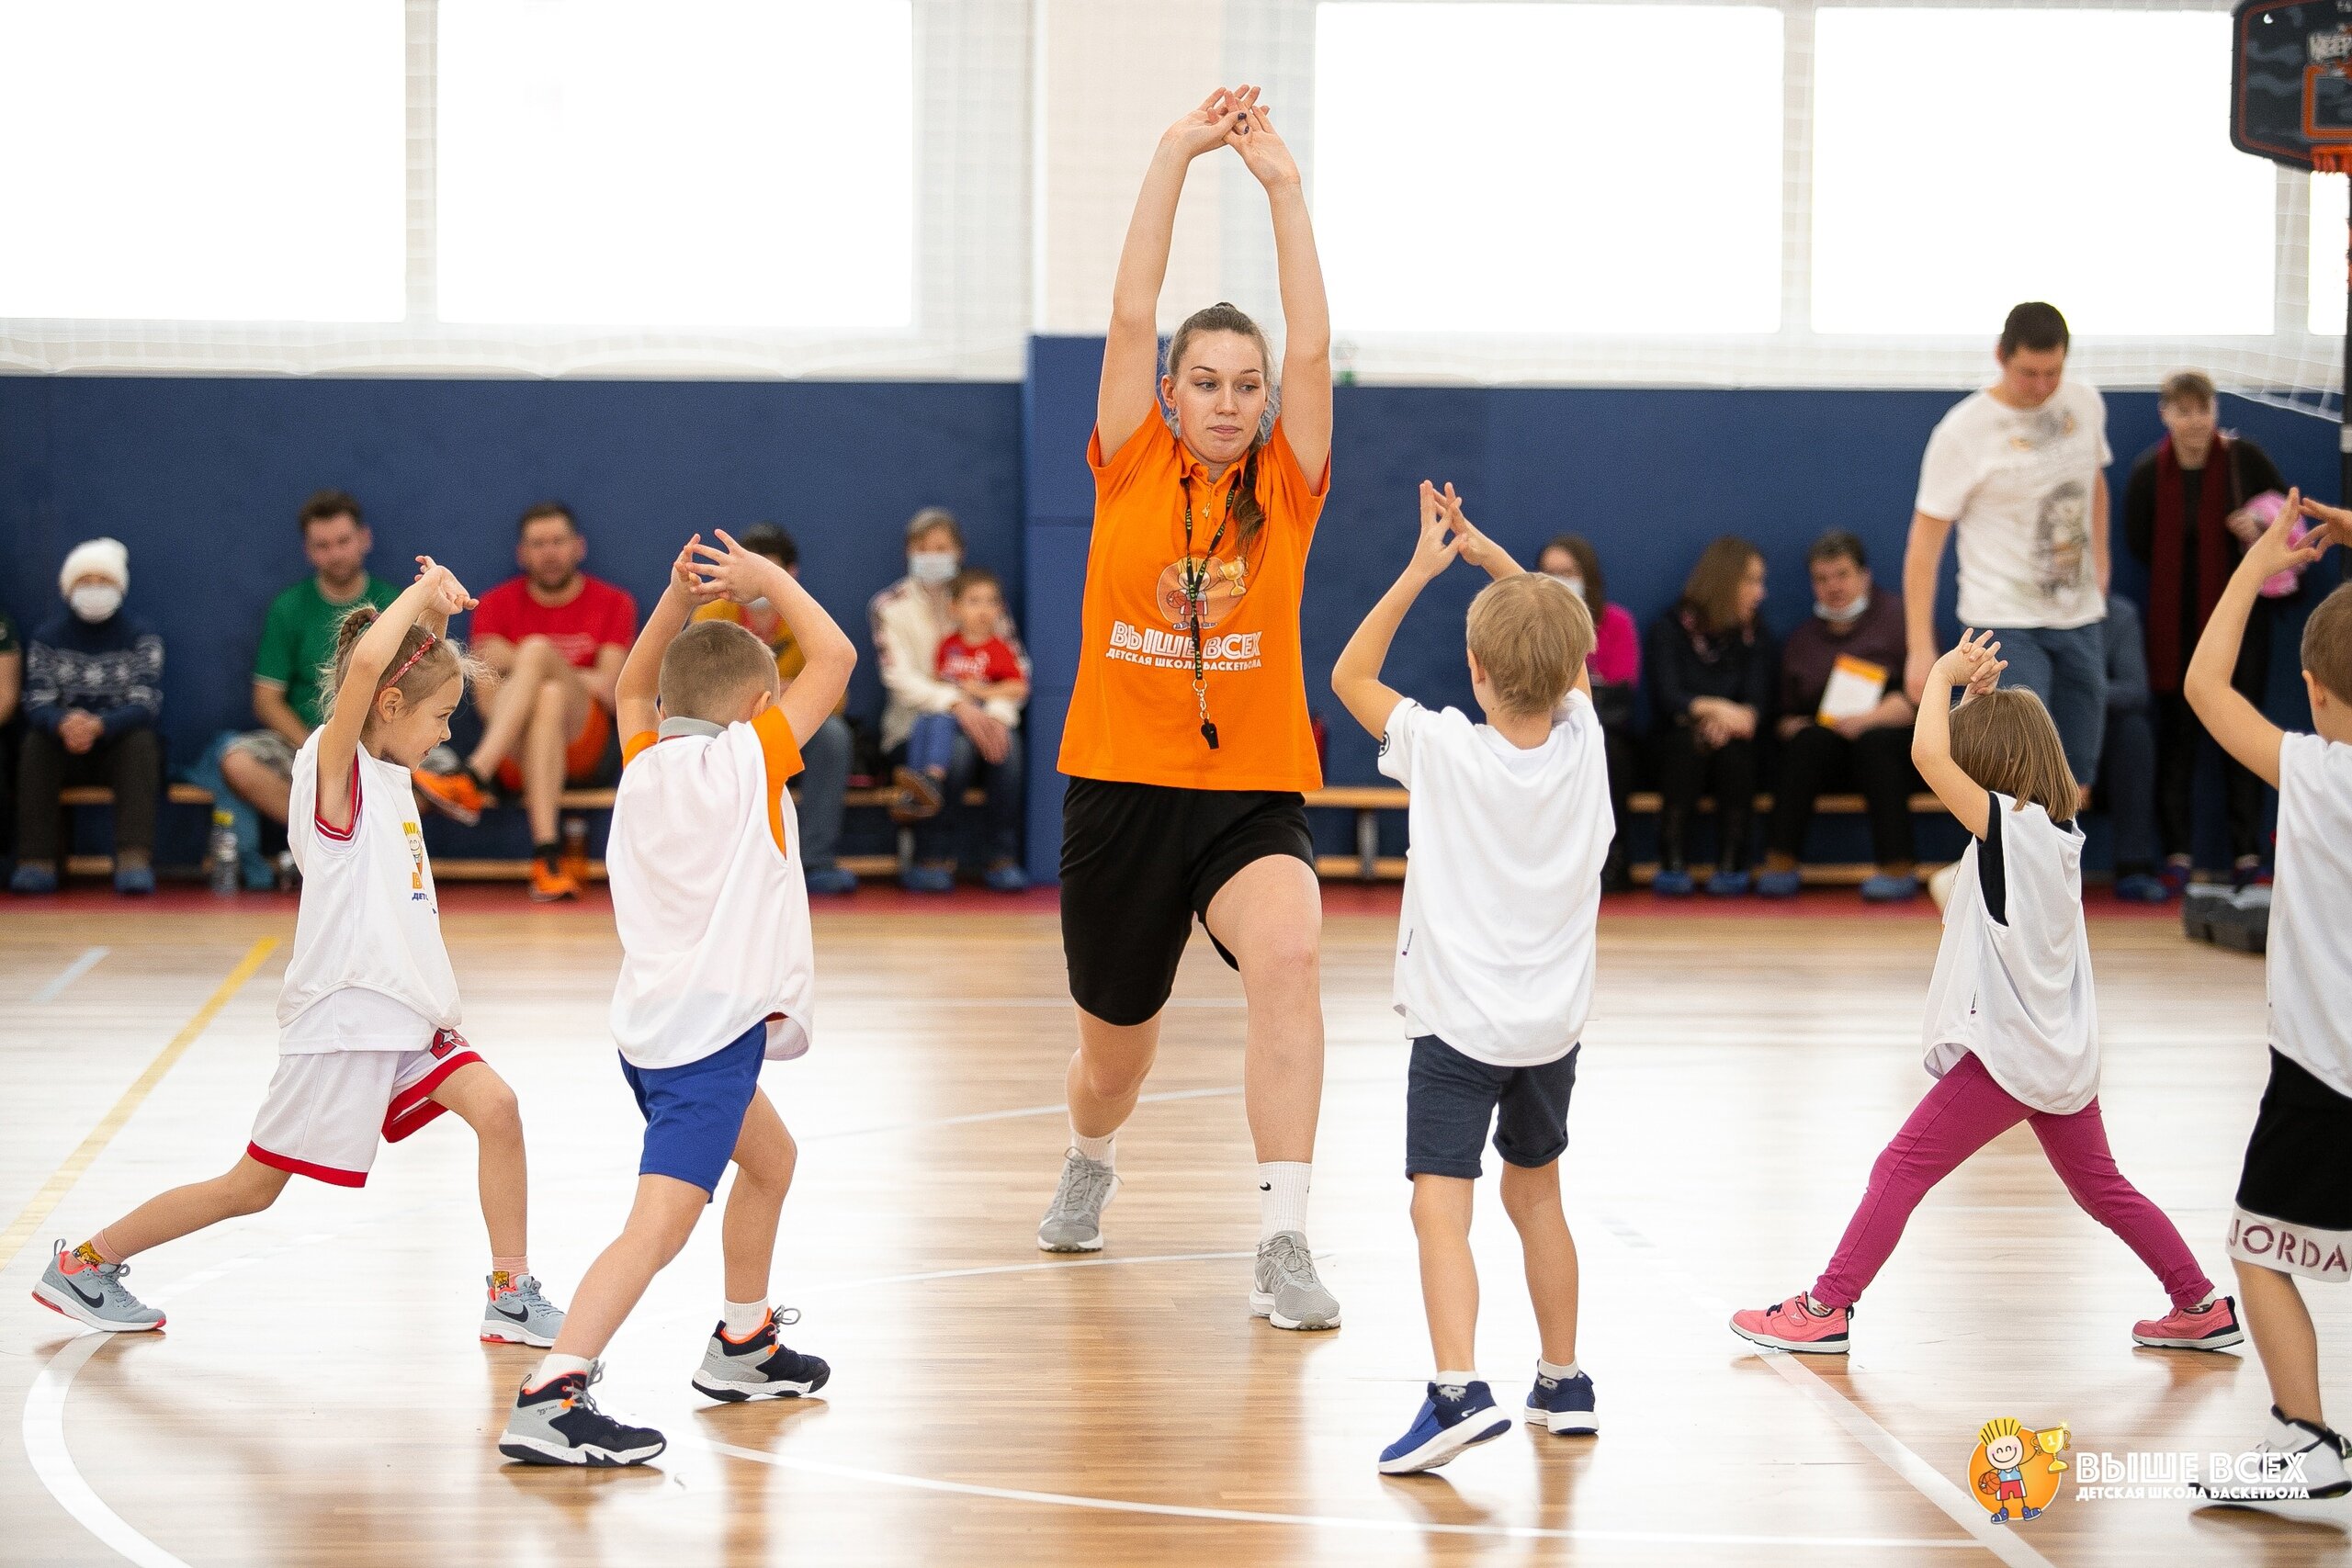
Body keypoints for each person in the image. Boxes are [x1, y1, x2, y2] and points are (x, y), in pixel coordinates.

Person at [33, 561, 567, 1352]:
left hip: (406, 1016)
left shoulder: (387, 768)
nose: (448, 732)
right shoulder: (334, 770)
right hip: (345, 1020)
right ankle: (85, 1263)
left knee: (500, 1109)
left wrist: (437, 619)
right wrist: (417, 598)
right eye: (444, 717)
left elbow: (404, 679)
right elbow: (369, 674)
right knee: (250, 1187)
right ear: (389, 707)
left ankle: (510, 1293)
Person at [1036, 85, 1343, 1333]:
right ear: (1168, 395)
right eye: (1203, 380)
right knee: (1116, 1057)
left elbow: (1317, 349)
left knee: (1291, 950)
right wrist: (1173, 151)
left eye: (1244, 382)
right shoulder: (1131, 461)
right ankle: (1091, 1156)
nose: (1225, 398)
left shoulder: (1289, 482)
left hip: (1248, 792)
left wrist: (1280, 186)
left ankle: (1282, 1234)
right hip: (1120, 789)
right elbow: (1125, 311)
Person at [1728, 631, 2239, 1357]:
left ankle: (1826, 1307)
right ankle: (2199, 1302)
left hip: (2011, 1056)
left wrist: (1936, 674)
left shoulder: (2011, 829)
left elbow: (1929, 755)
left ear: (1992, 768)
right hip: (2055, 1051)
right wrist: (1974, 700)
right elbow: (1966, 757)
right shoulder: (2051, 830)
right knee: (2103, 1189)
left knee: (1898, 1167)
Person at [497, 529, 854, 1467]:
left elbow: (624, 689)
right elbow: (839, 656)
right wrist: (766, 580)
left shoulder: (643, 762)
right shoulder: (751, 762)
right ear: (760, 705)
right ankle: (552, 1391)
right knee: (656, 1229)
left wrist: (673, 602)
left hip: (657, 1029)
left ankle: (744, 1344)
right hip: (703, 1045)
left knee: (771, 1162)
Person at [1332, 484, 1605, 1475]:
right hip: (1551, 1034)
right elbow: (1559, 659)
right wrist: (1501, 565)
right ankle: (1564, 1381)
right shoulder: (1588, 746)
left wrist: (1421, 568)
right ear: (1576, 673)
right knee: (1538, 1196)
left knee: (1437, 1204)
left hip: (1457, 1033)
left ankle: (1456, 1392)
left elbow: (1349, 672)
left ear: (1474, 672)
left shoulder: (1443, 749)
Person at [2184, 491, 2352, 1513]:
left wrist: (2260, 562)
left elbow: (2205, 684)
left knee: (2259, 1244)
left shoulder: (2317, 772)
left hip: (2323, 1067)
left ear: (2312, 690)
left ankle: (2307, 1439)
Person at [1904, 301, 2110, 792]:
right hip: (2004, 622)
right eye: (2028, 373)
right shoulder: (1962, 431)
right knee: (2017, 780)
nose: (2041, 386)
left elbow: (2094, 484)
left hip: (2079, 617)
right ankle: (2001, 870)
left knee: (2075, 780)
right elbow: (1925, 544)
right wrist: (1919, 649)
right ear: (2000, 355)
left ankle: (2059, 869)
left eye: (2053, 373)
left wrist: (2101, 563)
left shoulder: (2085, 404)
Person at [412, 502, 637, 902]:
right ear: (522, 553)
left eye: (558, 541)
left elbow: (611, 689)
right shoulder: (495, 604)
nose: (549, 552)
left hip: (586, 748)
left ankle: (474, 775)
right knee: (548, 695)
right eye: (538, 543)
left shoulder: (614, 602)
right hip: (516, 753)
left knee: (536, 654)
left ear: (578, 547)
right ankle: (547, 858)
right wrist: (554, 676)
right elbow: (485, 702)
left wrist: (534, 662)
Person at [2125, 370, 2294, 892]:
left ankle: (2247, 854)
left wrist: (2259, 528)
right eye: (2184, 410)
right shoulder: (2149, 472)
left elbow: (2289, 522)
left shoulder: (2247, 461)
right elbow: (2139, 542)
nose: (2196, 421)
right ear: (2165, 414)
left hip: (2243, 626)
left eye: (2204, 409)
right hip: (2173, 631)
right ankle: (2177, 853)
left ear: (2216, 411)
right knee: (2176, 742)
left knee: (2243, 738)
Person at [214, 491, 401, 886]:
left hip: (380, 745)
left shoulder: (393, 603)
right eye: (322, 545)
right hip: (304, 745)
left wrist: (372, 745)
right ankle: (327, 842)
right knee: (236, 760)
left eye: (343, 541)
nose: (335, 553)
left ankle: (361, 840)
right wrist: (317, 748)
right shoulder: (288, 607)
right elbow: (266, 700)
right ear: (309, 551)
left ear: (364, 539)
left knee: (446, 774)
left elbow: (413, 690)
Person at [869, 509, 1030, 892]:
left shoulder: (983, 598)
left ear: (959, 551)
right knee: (954, 752)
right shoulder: (889, 605)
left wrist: (993, 715)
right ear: (910, 552)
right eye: (923, 549)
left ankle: (1001, 857)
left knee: (1009, 747)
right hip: (914, 727)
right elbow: (899, 679)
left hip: (985, 716)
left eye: (942, 548)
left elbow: (1015, 669)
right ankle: (931, 856)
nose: (933, 556)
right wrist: (956, 703)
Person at [693, 523, 857, 895]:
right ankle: (720, 862)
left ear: (789, 574)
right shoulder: (711, 614)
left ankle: (816, 859)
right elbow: (697, 688)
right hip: (729, 727)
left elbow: (838, 697)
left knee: (833, 736)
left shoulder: (806, 616)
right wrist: (766, 692)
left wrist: (789, 697)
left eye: (768, 571)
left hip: (789, 727)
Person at [1758, 531, 1918, 902]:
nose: (1833, 587)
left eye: (1842, 575)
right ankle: (1781, 861)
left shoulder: (1900, 621)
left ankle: (1897, 866)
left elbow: (1929, 699)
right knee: (1807, 743)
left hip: (1888, 740)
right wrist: (1796, 727)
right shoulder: (1801, 640)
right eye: (1822, 579)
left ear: (1864, 576)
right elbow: (1782, 717)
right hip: (1825, 744)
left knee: (1877, 743)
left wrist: (1877, 717)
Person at [12, 539, 164, 896]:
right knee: (34, 744)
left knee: (143, 743)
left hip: (117, 746)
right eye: (86, 580)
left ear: (119, 587)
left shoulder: (141, 637)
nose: (95, 589)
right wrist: (63, 724)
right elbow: (36, 701)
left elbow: (146, 702)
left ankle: (133, 859)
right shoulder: (47, 638)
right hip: (62, 745)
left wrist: (100, 725)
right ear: (69, 587)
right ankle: (36, 860)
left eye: (104, 580)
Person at [1645, 536, 1773, 897]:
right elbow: (1669, 697)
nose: (1759, 592)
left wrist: (1729, 720)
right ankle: (1672, 859)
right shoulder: (1671, 627)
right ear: (1725, 580)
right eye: (1752, 581)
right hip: (1679, 735)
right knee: (1685, 746)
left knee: (1736, 754)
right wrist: (1716, 710)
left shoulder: (1756, 634)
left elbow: (1756, 707)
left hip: (1736, 739)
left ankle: (1733, 860)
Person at [1537, 535, 1639, 892]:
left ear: (1587, 576)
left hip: (1604, 729)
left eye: (1568, 572)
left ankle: (1612, 858)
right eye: (1550, 573)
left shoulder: (1615, 622)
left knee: (1609, 752)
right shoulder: (1533, 624)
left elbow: (1622, 690)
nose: (1559, 581)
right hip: (1543, 727)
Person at [895, 568, 1030, 829]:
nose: (984, 610)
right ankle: (916, 787)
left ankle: (932, 777)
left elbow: (1018, 686)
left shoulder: (998, 648)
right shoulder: (949, 645)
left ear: (1001, 610)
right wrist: (954, 696)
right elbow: (940, 680)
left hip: (981, 714)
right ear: (954, 608)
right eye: (974, 601)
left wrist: (981, 692)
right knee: (927, 721)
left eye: (992, 602)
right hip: (955, 711)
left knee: (945, 727)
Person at [2097, 597, 2168, 902]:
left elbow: (2135, 691)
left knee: (2134, 730)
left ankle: (2133, 865)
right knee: (2015, 722)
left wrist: (2078, 691)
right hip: (2044, 739)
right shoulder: (2023, 611)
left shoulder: (2118, 614)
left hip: (2101, 748)